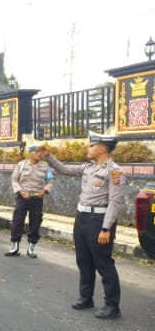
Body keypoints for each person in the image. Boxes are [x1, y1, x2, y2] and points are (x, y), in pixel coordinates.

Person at [42, 134, 126, 319]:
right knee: (83, 260)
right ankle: (86, 297)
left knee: (103, 263)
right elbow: (64, 169)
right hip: (82, 218)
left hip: (99, 220)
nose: (88, 149)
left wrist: (106, 229)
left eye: (91, 146)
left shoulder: (114, 171)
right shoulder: (88, 167)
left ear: (102, 149)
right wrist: (48, 156)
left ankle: (112, 306)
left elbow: (115, 202)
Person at [7, 141, 50, 257]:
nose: (39, 154)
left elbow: (50, 181)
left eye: (40, 152)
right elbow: (14, 180)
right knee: (17, 220)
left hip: (37, 197)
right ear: (30, 153)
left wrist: (45, 190)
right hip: (22, 196)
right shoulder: (21, 165)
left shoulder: (45, 166)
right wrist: (20, 191)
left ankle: (31, 247)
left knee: (35, 221)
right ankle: (14, 246)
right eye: (36, 152)